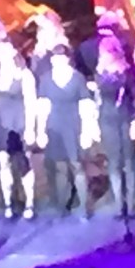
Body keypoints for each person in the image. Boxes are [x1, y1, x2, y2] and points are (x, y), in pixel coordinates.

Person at [37, 45, 96, 218]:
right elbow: (43, 106)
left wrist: (87, 131)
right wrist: (40, 131)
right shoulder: (46, 79)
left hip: (74, 125)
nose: (58, 61)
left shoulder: (77, 78)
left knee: (77, 165)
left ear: (67, 59)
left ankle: (84, 207)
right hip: (54, 125)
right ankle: (62, 204)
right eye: (55, 58)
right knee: (59, 166)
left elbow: (86, 104)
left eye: (61, 58)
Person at [0, 37, 37, 219]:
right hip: (1, 124)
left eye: (8, 50)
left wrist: (31, 128)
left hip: (20, 123)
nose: (4, 54)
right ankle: (8, 203)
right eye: (1, 51)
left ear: (15, 51)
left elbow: (31, 102)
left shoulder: (24, 74)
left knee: (24, 164)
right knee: (3, 164)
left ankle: (29, 203)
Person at [95, 35, 135, 216]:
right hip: (106, 120)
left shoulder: (126, 73)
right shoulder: (99, 74)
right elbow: (98, 99)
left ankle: (131, 202)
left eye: (106, 52)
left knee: (129, 160)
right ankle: (118, 202)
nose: (103, 55)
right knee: (113, 161)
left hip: (125, 118)